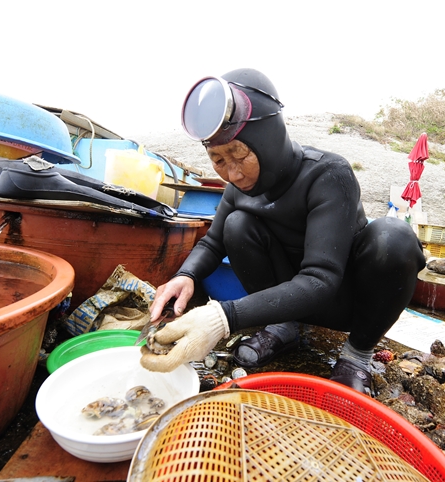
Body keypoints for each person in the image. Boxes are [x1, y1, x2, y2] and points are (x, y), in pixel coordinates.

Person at [140, 68, 426, 395]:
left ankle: (357, 354)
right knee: (236, 224)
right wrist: (185, 276)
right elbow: (214, 242)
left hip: (346, 300)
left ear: (268, 140)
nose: (231, 172)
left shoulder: (328, 175)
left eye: (239, 154)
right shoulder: (238, 187)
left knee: (394, 238)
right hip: (287, 300)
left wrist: (224, 317)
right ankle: (283, 328)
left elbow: (321, 279)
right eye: (218, 159)